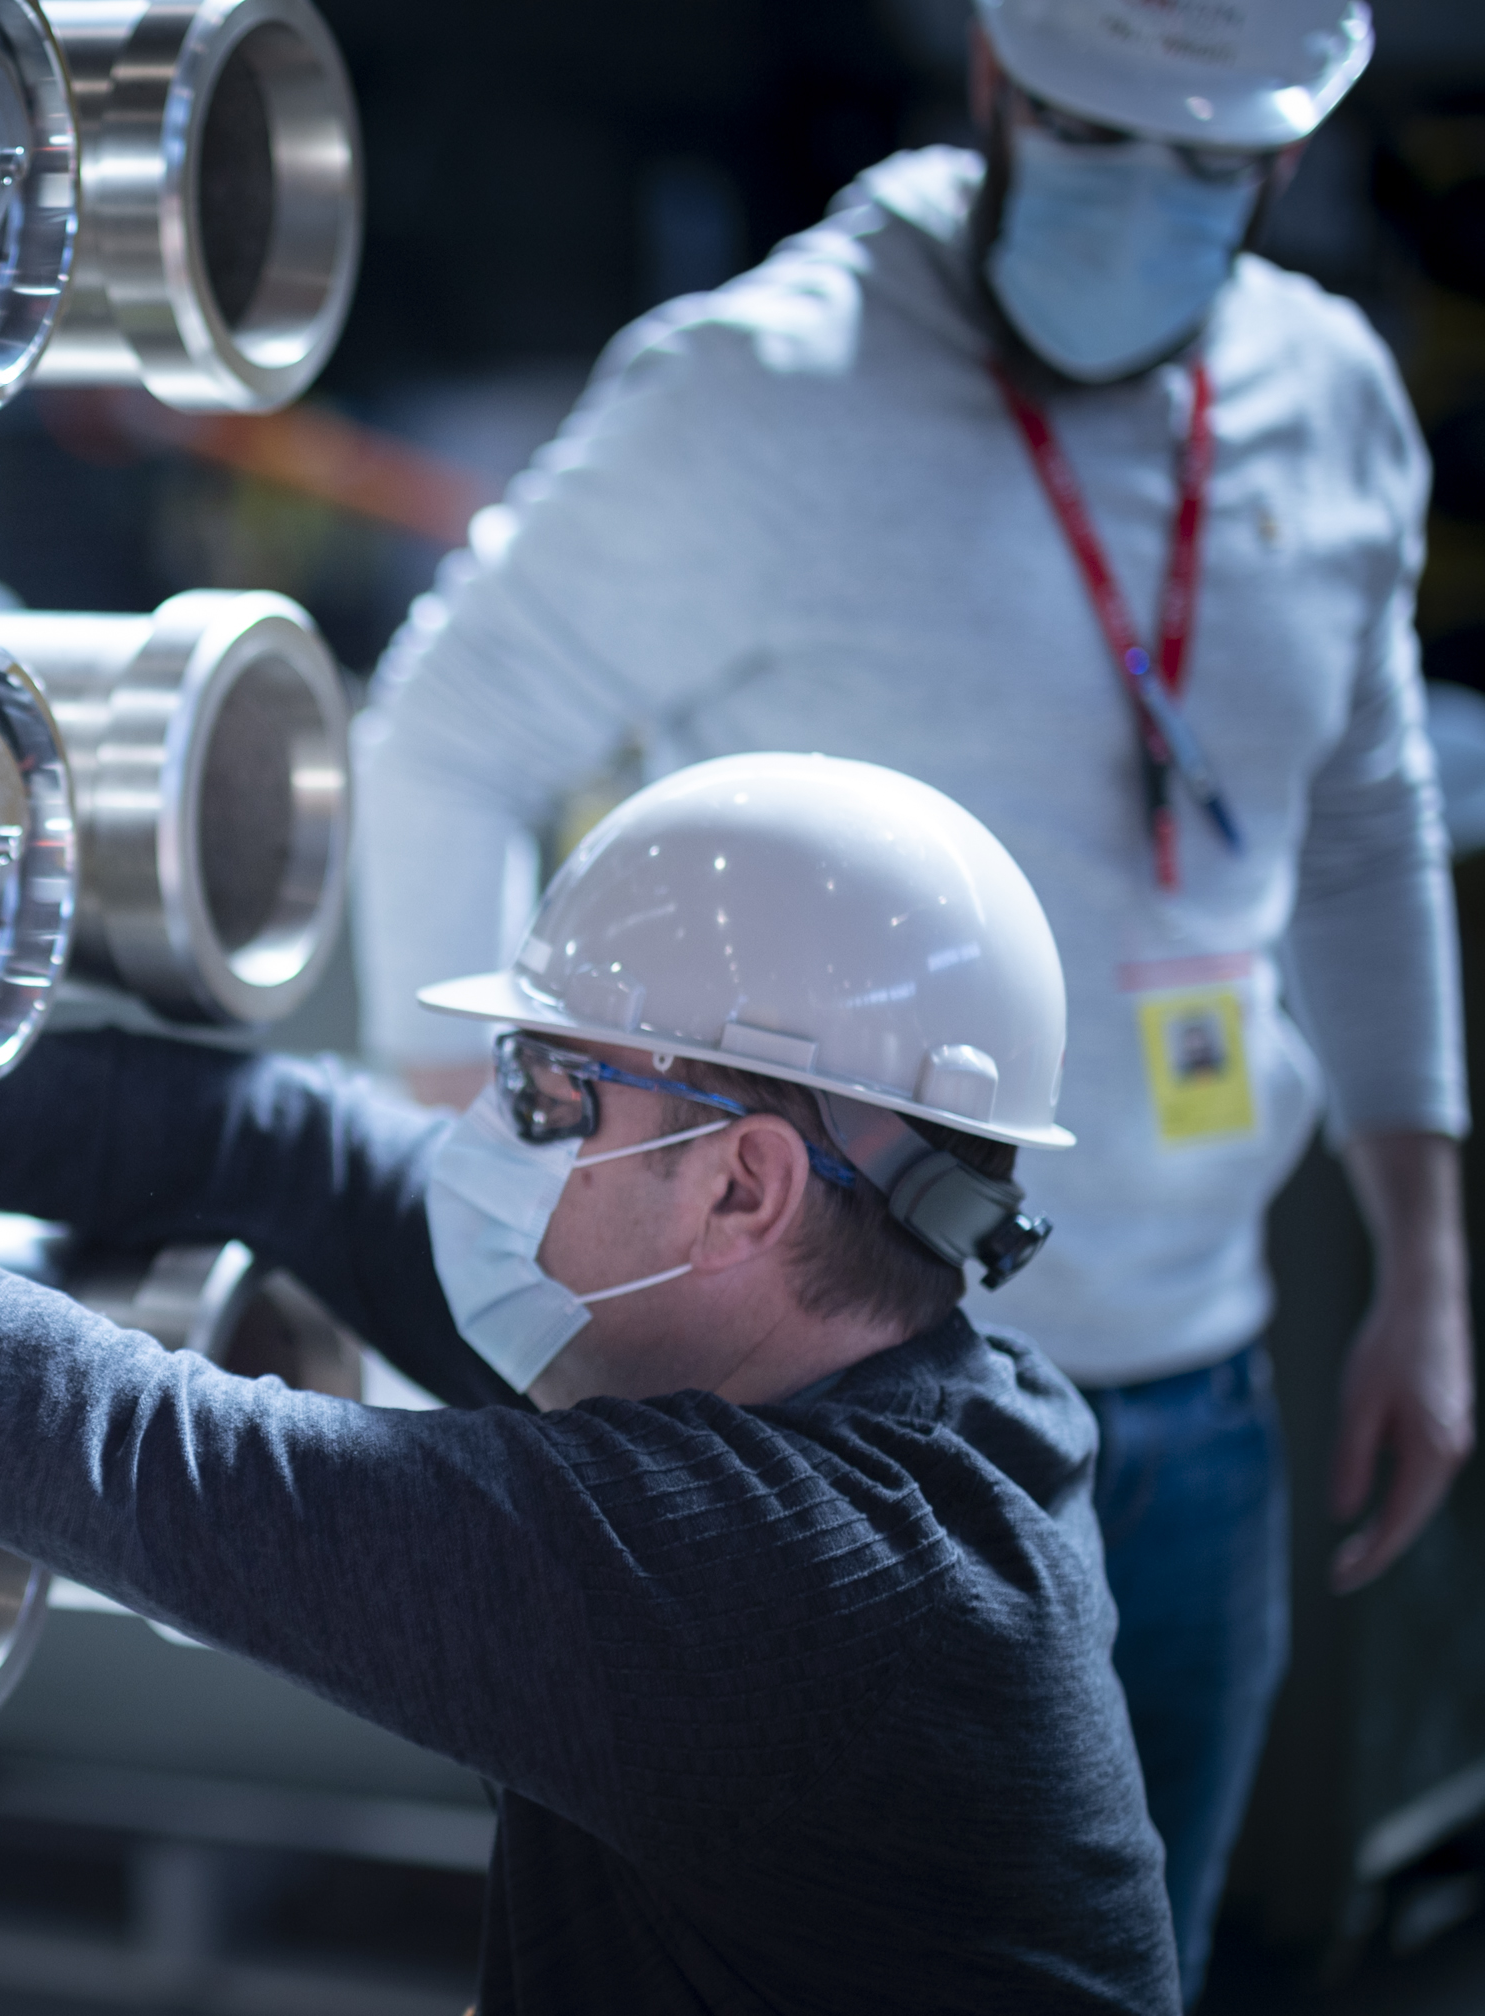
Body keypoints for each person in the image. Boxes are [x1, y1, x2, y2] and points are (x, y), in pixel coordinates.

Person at [352, 1, 1471, 1991]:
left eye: (1210, 167)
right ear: (989, 87)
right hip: (813, 1450)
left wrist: (1426, 1262)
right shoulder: (768, 393)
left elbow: (1367, 829)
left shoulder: (1334, 405)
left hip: (1195, 1413)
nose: (1145, 200)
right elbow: (446, 738)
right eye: (1093, 133)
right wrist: (495, 1217)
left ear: (1289, 165)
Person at [0, 755, 1180, 2011]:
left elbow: (137, 1456)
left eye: (553, 1101)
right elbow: (277, 1146)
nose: (494, 1150)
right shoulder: (907, 1387)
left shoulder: (788, 1589)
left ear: (744, 1187)